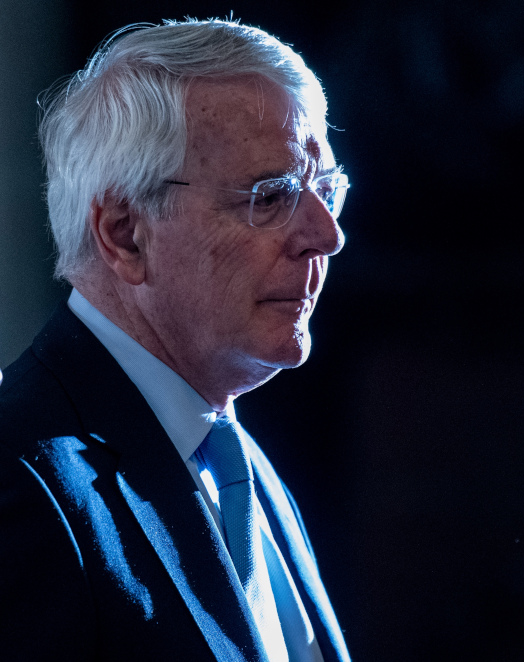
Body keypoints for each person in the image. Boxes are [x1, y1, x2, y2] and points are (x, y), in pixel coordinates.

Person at [0, 19, 351, 661]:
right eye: (272, 196)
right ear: (125, 233)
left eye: (327, 190)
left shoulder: (233, 450)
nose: (326, 235)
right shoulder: (19, 478)